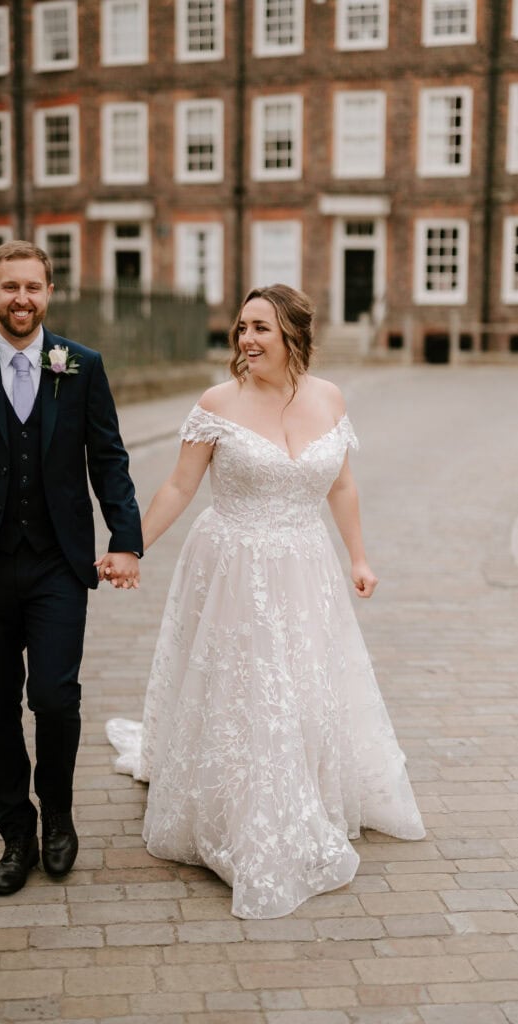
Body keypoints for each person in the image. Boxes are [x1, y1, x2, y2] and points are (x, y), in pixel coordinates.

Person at [106, 284, 425, 919]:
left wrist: (359, 558)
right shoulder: (217, 403)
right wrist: (129, 547)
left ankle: (305, 778)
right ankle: (243, 804)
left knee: (303, 679)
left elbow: (342, 486)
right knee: (248, 685)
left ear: (293, 336)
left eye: (261, 329)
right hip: (234, 565)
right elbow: (179, 486)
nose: (247, 339)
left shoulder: (329, 398)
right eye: (243, 327)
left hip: (307, 565)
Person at [0, 240, 142, 896]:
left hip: (57, 563)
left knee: (54, 697)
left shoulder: (81, 364)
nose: (22, 299)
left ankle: (58, 815)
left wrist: (126, 538)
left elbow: (108, 458)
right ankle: (16, 834)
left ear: (49, 293)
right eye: (10, 286)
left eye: (33, 287)